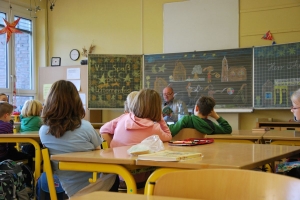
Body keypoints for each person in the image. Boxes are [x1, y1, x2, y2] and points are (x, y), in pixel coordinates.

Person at [39, 80, 119, 198]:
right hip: (94, 184)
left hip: (68, 188)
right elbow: (102, 148)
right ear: (76, 102)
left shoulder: (43, 131)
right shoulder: (85, 126)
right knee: (116, 174)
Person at [100, 88, 172, 188]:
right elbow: (168, 136)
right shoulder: (153, 128)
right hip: (142, 180)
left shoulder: (124, 118)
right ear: (157, 108)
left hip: (116, 176)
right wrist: (160, 118)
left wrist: (111, 145)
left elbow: (103, 129)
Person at [0, 101, 33, 168]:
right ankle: (28, 177)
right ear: (6, 115)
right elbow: (12, 144)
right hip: (3, 156)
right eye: (10, 115)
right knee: (29, 157)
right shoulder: (7, 125)